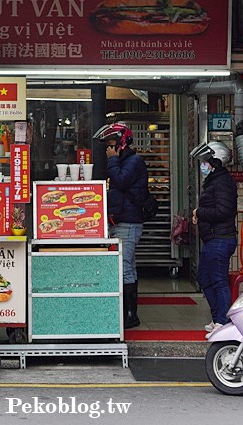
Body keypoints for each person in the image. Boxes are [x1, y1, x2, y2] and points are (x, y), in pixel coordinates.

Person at [94, 122, 148, 329]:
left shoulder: (133, 161)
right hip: (121, 220)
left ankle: (129, 316)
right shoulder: (124, 160)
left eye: (111, 143)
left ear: (122, 142)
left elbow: (121, 181)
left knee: (124, 268)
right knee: (128, 267)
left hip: (128, 222)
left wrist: (113, 161)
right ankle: (129, 313)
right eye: (107, 145)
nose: (109, 148)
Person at [190, 140, 237, 334]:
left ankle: (222, 321)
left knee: (218, 279)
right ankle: (217, 316)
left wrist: (199, 212)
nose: (203, 165)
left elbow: (225, 211)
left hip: (221, 239)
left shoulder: (222, 182)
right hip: (213, 239)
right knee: (204, 278)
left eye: (206, 161)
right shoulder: (215, 181)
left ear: (215, 162)